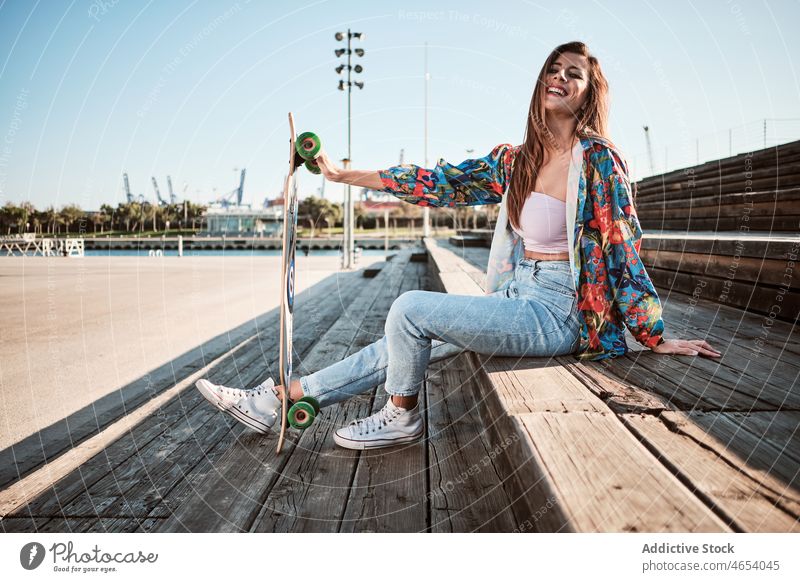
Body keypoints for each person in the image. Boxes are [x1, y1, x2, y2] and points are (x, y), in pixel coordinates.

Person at [195, 41, 721, 451]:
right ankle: (279, 400)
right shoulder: (517, 160)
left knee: (409, 310)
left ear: (588, 92)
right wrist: (338, 173)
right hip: (518, 296)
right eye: (553, 69)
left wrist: (653, 335)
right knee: (399, 343)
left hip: (562, 311)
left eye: (573, 74)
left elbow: (623, 245)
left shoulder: (600, 160)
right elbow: (437, 181)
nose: (559, 77)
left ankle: (401, 415)